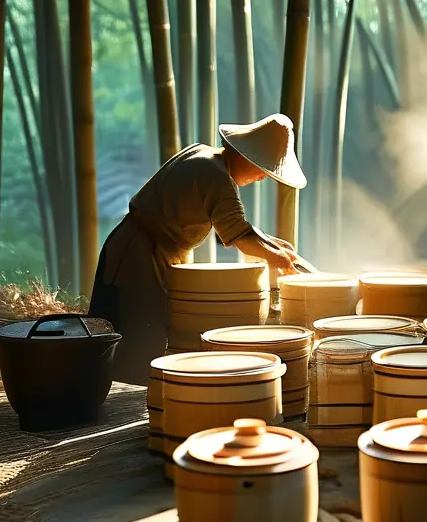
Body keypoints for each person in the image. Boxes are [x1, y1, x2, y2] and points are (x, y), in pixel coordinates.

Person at [88, 113, 307, 386]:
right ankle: (121, 411)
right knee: (134, 341)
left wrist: (274, 245)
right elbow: (237, 233)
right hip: (137, 257)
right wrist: (275, 256)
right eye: (263, 169)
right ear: (247, 156)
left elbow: (232, 225)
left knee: (134, 338)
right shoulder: (216, 176)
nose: (262, 177)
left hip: (143, 251)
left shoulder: (206, 156)